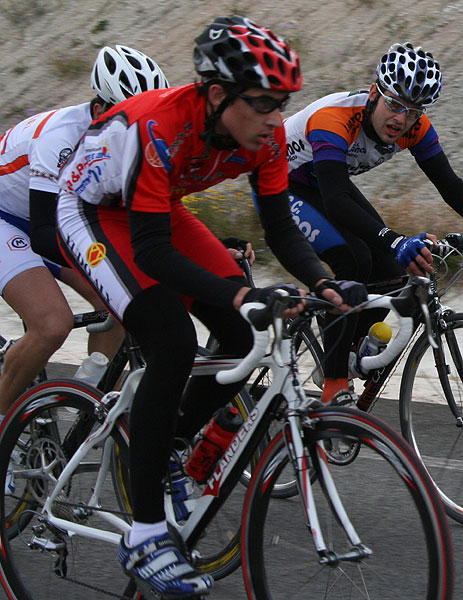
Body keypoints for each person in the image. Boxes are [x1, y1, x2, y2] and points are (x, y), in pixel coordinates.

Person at [53, 16, 367, 598]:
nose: (278, 118)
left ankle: (167, 442)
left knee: (249, 338)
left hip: (154, 207)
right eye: (266, 102)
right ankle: (144, 534)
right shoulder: (160, 126)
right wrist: (244, 293)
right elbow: (151, 253)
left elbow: (280, 229)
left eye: (285, 103)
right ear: (219, 95)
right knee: (171, 339)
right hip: (93, 214)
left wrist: (325, 282)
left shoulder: (263, 137)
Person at [0, 45, 169, 493]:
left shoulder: (130, 136)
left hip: (58, 219)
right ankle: (3, 435)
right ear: (99, 109)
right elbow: (44, 236)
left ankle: (80, 403)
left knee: (118, 307)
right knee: (51, 324)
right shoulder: (61, 135)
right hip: (10, 215)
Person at [283, 41, 463, 404]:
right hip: (281, 186)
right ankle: (333, 379)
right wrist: (396, 239)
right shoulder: (334, 118)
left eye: (412, 112)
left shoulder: (415, 126)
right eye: (394, 104)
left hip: (323, 184)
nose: (401, 119)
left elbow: (450, 186)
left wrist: (393, 247)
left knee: (386, 268)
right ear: (373, 93)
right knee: (353, 260)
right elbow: (335, 201)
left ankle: (348, 346)